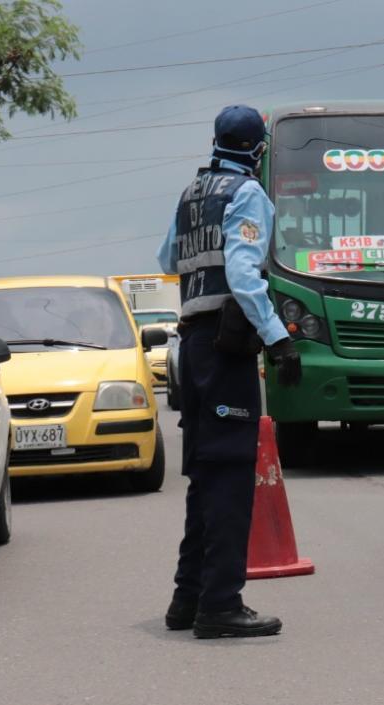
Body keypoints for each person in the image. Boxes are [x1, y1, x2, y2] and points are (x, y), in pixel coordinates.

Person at [156, 105, 302, 639]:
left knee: (206, 475)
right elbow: (243, 273)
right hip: (226, 347)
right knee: (231, 477)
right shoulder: (247, 194)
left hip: (192, 343)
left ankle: (188, 598)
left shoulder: (192, 195)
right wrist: (279, 338)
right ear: (258, 150)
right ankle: (220, 604)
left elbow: (168, 260)